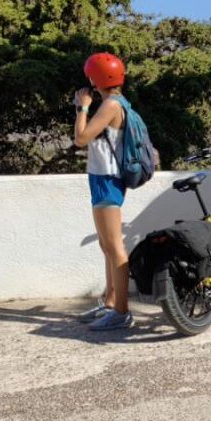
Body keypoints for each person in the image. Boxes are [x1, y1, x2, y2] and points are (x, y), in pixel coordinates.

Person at [74, 52, 135, 331]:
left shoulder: (110, 105)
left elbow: (81, 138)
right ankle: (111, 302)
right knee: (105, 245)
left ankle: (122, 312)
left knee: (115, 247)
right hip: (102, 178)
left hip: (108, 179)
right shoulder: (114, 102)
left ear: (94, 78)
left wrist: (81, 107)